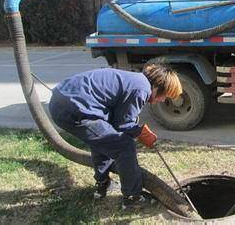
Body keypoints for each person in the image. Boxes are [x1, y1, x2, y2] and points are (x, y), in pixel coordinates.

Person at [48, 64, 182, 209]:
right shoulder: (141, 89)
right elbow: (123, 124)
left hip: (63, 104)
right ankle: (133, 198)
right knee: (123, 145)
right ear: (157, 87)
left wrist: (134, 128)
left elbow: (117, 120)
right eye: (165, 96)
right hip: (74, 111)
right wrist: (140, 133)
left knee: (105, 139)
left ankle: (103, 184)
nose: (162, 101)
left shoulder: (136, 80)